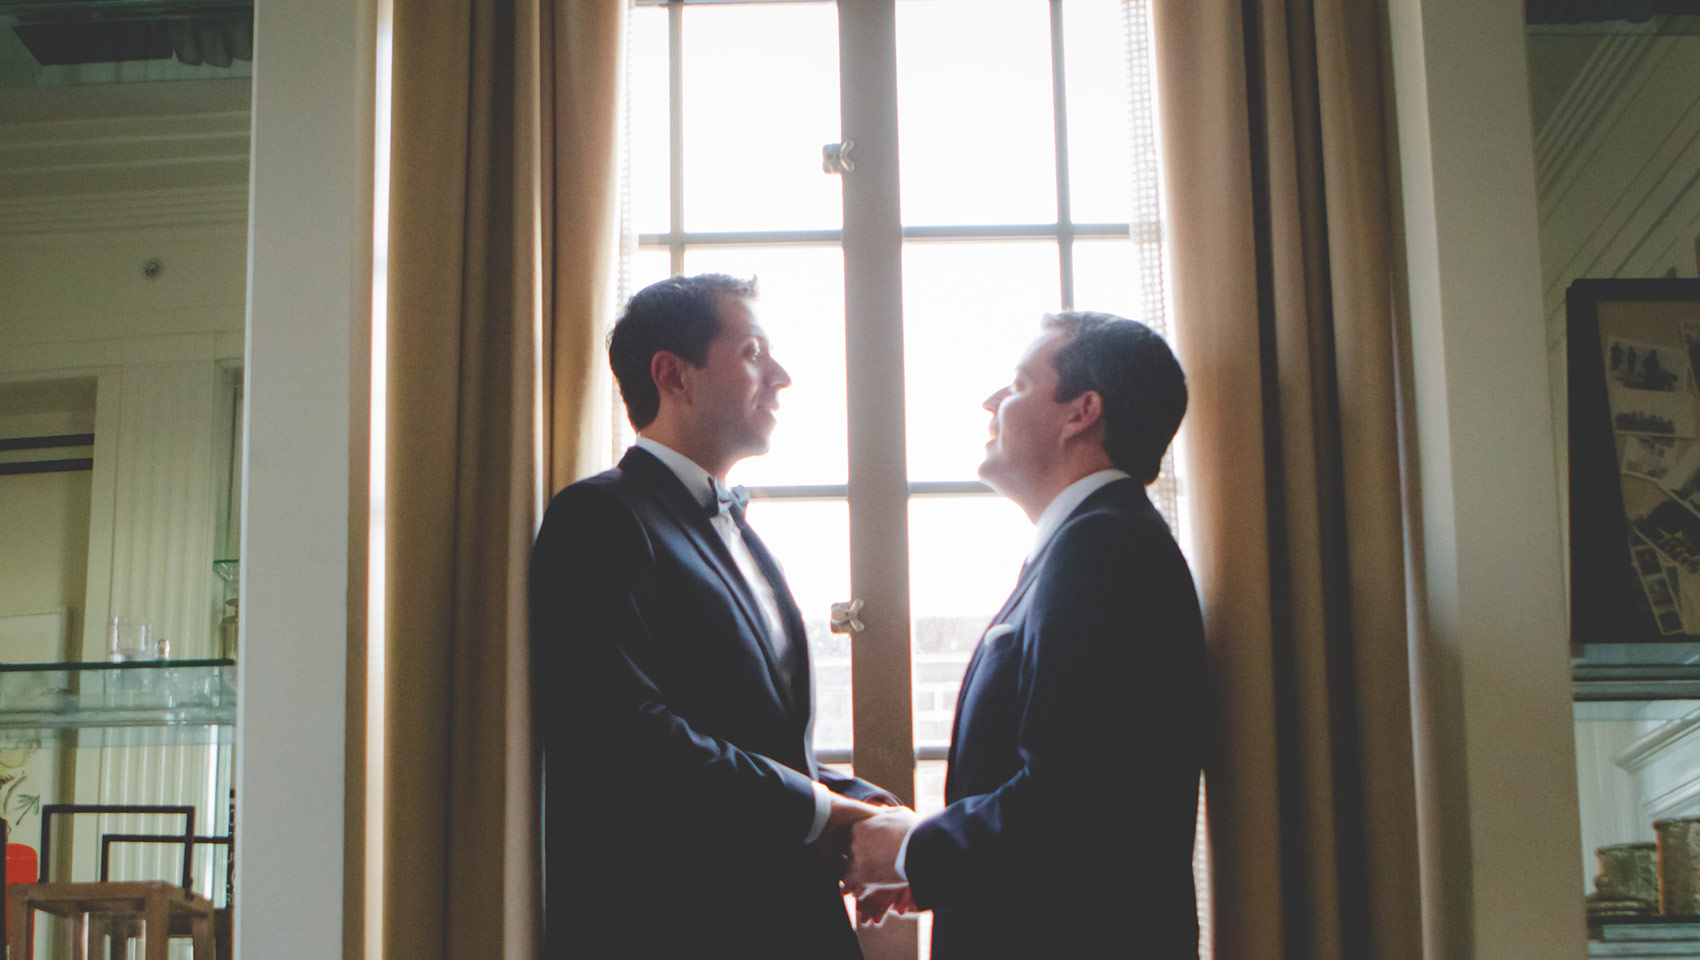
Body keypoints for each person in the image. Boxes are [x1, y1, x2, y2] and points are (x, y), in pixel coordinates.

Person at [531, 274, 898, 958]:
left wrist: (871, 811)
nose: (782, 376)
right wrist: (823, 814)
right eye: (754, 351)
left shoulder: (740, 530)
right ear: (673, 375)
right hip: (677, 931)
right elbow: (621, 734)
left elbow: (762, 740)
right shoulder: (599, 518)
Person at [843, 312, 1207, 959]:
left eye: (1016, 384)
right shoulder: (1088, 544)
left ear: (1081, 412)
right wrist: (931, 865)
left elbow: (1068, 806)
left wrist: (906, 847)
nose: (991, 402)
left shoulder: (1105, 550)